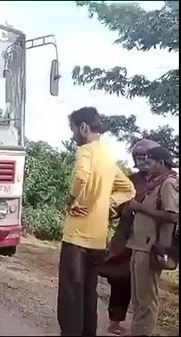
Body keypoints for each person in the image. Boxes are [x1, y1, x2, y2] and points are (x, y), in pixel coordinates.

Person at [57, 107, 136, 336]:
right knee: (88, 299)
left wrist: (71, 201)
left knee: (70, 301)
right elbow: (129, 190)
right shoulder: (108, 155)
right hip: (98, 242)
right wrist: (106, 203)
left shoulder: (86, 150)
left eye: (73, 129)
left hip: (76, 240)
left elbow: (81, 177)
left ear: (83, 127)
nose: (72, 135)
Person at [99, 139, 161, 335]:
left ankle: (142, 326)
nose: (143, 162)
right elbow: (117, 204)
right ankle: (115, 320)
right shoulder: (130, 180)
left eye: (146, 158)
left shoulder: (163, 181)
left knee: (144, 285)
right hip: (125, 236)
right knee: (120, 278)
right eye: (139, 158)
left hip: (149, 239)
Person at [126, 146, 179, 336]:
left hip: (150, 247)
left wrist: (140, 207)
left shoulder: (168, 184)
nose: (146, 165)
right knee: (139, 297)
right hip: (139, 244)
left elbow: (172, 215)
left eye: (150, 162)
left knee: (147, 298)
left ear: (161, 163)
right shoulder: (155, 183)